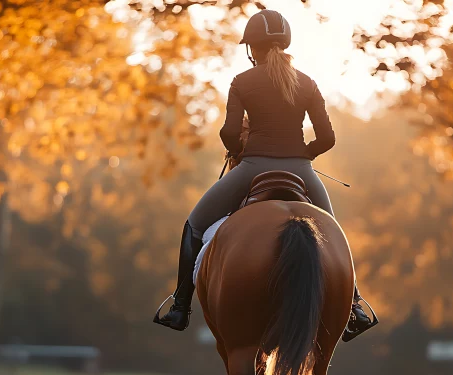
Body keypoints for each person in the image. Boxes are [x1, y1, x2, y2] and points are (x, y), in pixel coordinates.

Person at [153, 9, 376, 340]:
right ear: (285, 45)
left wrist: (239, 148)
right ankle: (355, 307)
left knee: (195, 225)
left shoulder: (242, 82)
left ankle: (180, 307)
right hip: (301, 170)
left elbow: (229, 133)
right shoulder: (307, 83)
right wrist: (303, 155)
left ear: (251, 48)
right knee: (334, 234)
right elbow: (327, 138)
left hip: (252, 168)